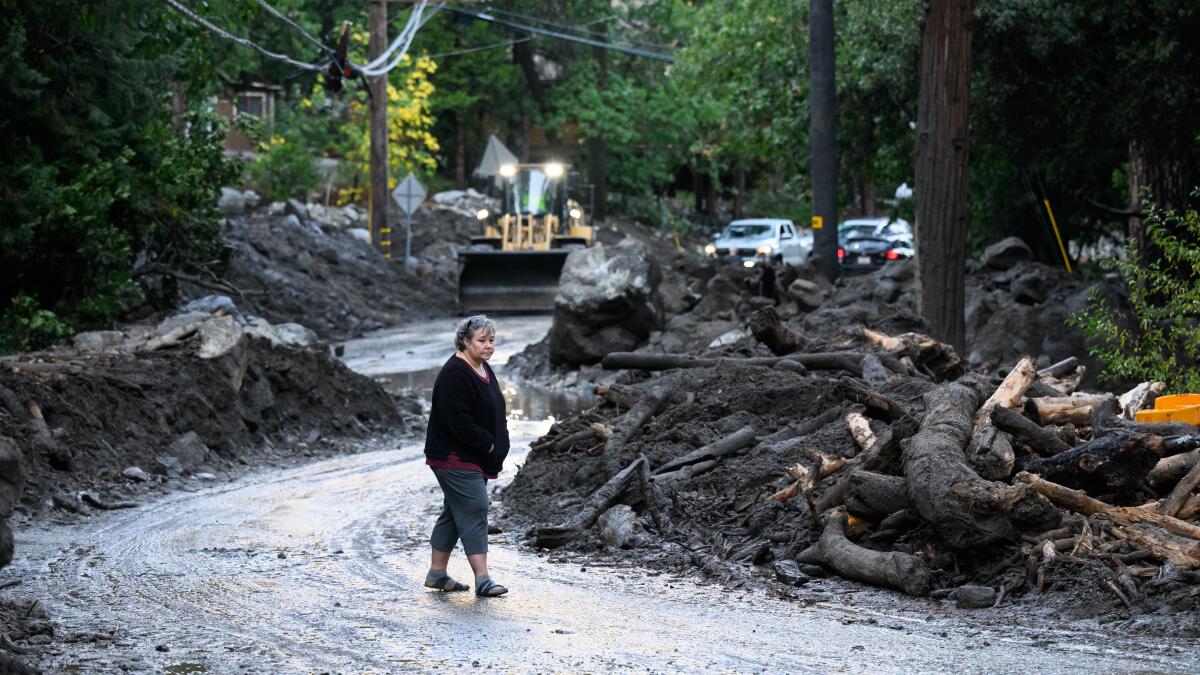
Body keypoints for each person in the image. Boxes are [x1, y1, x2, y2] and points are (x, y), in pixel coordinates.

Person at [423, 315, 510, 597]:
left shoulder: (482, 367)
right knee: (475, 507)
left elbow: (494, 408)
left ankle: (437, 574)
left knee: (455, 511)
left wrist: (499, 443)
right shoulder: (454, 374)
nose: (488, 346)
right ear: (465, 341)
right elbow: (456, 421)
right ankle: (483, 579)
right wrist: (488, 445)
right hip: (453, 456)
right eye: (482, 341)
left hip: (473, 456)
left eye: (491, 341)